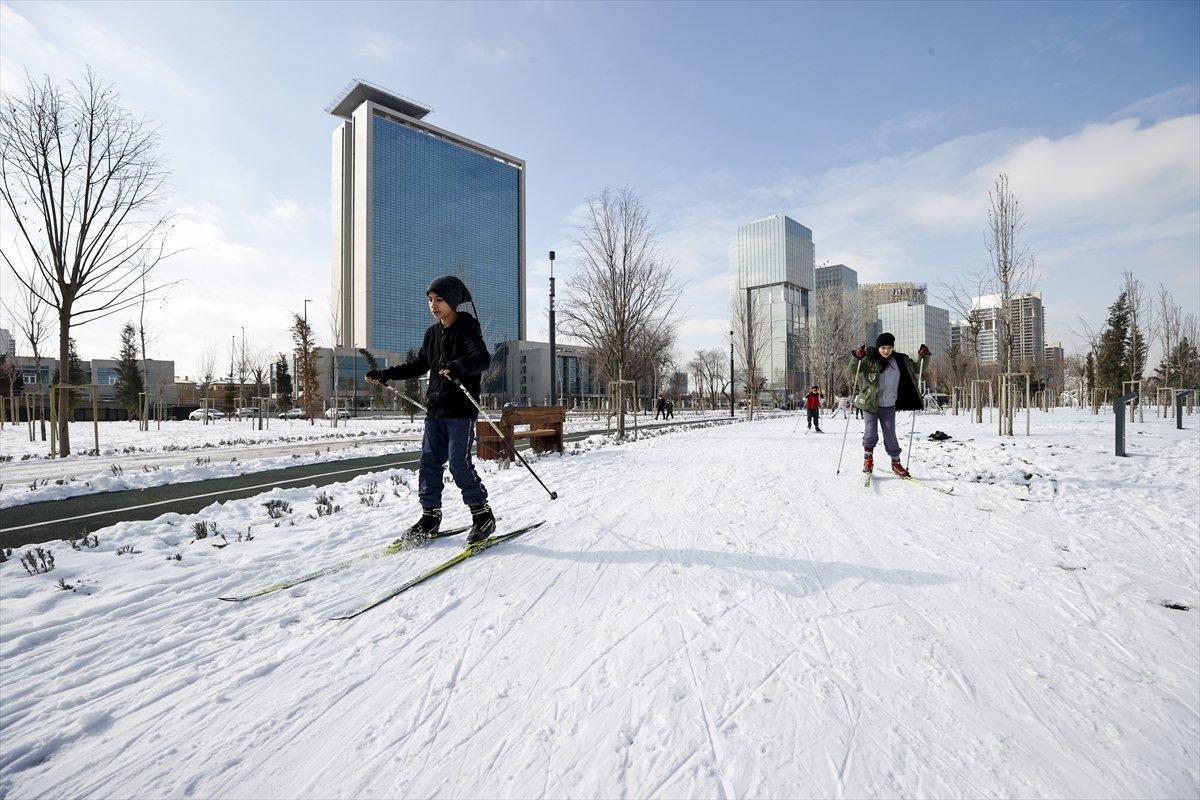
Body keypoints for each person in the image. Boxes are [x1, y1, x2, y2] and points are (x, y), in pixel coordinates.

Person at [365, 276, 495, 544]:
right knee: (429, 463)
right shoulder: (432, 333)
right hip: (436, 410)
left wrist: (458, 366)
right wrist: (385, 373)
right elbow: (419, 365)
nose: (433, 305)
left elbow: (482, 358)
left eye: (439, 300)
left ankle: (482, 515)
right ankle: (430, 516)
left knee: (459, 464)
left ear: (453, 302)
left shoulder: (467, 327)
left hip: (460, 410)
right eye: (430, 300)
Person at [848, 333, 931, 477]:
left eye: (889, 347)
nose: (886, 351)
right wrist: (857, 357)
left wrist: (924, 356)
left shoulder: (900, 360)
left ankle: (896, 463)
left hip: (889, 405)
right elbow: (853, 370)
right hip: (869, 403)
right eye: (883, 347)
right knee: (870, 432)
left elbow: (918, 368)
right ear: (878, 347)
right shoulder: (869, 359)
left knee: (890, 434)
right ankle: (868, 460)